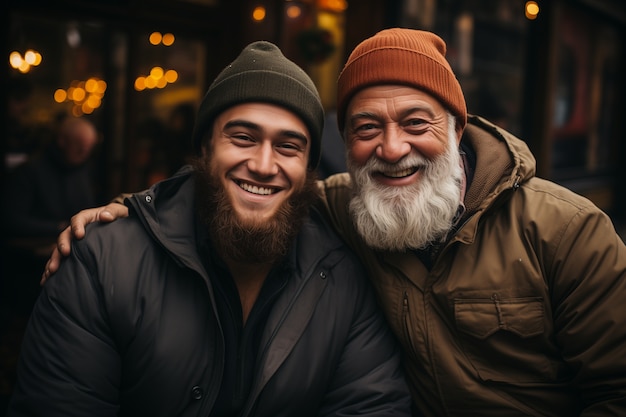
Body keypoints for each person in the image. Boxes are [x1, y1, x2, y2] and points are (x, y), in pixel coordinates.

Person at [43, 29, 626, 415]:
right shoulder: (341, 206)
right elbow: (240, 189)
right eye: (366, 127)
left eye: (416, 122)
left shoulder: (567, 231)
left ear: (456, 127)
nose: (392, 149)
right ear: (344, 146)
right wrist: (130, 211)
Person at [7, 41, 412, 416]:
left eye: (288, 146)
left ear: (308, 169)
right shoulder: (101, 263)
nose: (264, 164)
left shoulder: (344, 278)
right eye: (242, 137)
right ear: (204, 149)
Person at [1, 115, 101, 239]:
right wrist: (58, 227)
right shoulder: (29, 170)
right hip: (36, 247)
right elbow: (12, 220)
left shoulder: (83, 170)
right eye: (79, 146)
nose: (84, 154)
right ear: (62, 141)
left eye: (88, 149)